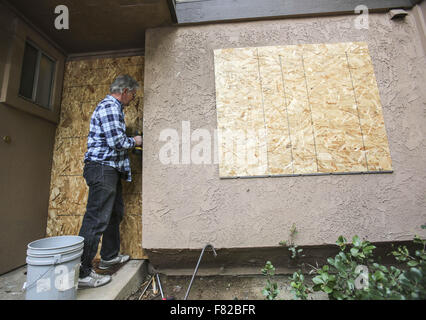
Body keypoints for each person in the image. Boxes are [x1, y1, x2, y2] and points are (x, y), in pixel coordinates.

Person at [77, 74, 142, 288]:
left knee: (114, 214)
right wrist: (136, 140)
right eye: (132, 94)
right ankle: (82, 273)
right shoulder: (110, 107)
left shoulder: (115, 108)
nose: (133, 98)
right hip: (102, 169)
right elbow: (117, 142)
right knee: (96, 220)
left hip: (110, 170)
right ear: (124, 91)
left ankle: (109, 256)